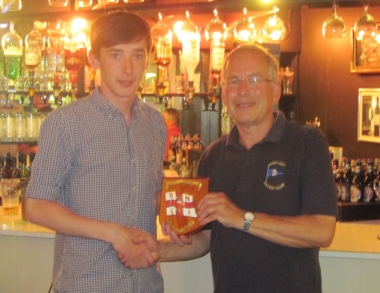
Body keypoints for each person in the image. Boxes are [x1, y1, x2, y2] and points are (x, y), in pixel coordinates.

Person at [154, 44, 337, 293]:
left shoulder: (307, 142)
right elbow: (207, 237)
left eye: (253, 79)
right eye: (233, 81)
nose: (242, 91)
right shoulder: (213, 156)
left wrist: (241, 218)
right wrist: (158, 249)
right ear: (224, 93)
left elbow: (321, 231)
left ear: (275, 91)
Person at [23, 11, 167, 293]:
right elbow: (35, 206)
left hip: (146, 283)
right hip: (86, 283)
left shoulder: (155, 123)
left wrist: (178, 216)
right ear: (94, 59)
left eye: (137, 55)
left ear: (148, 59)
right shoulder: (65, 123)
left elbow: (153, 192)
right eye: (116, 55)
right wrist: (112, 233)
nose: (128, 68)